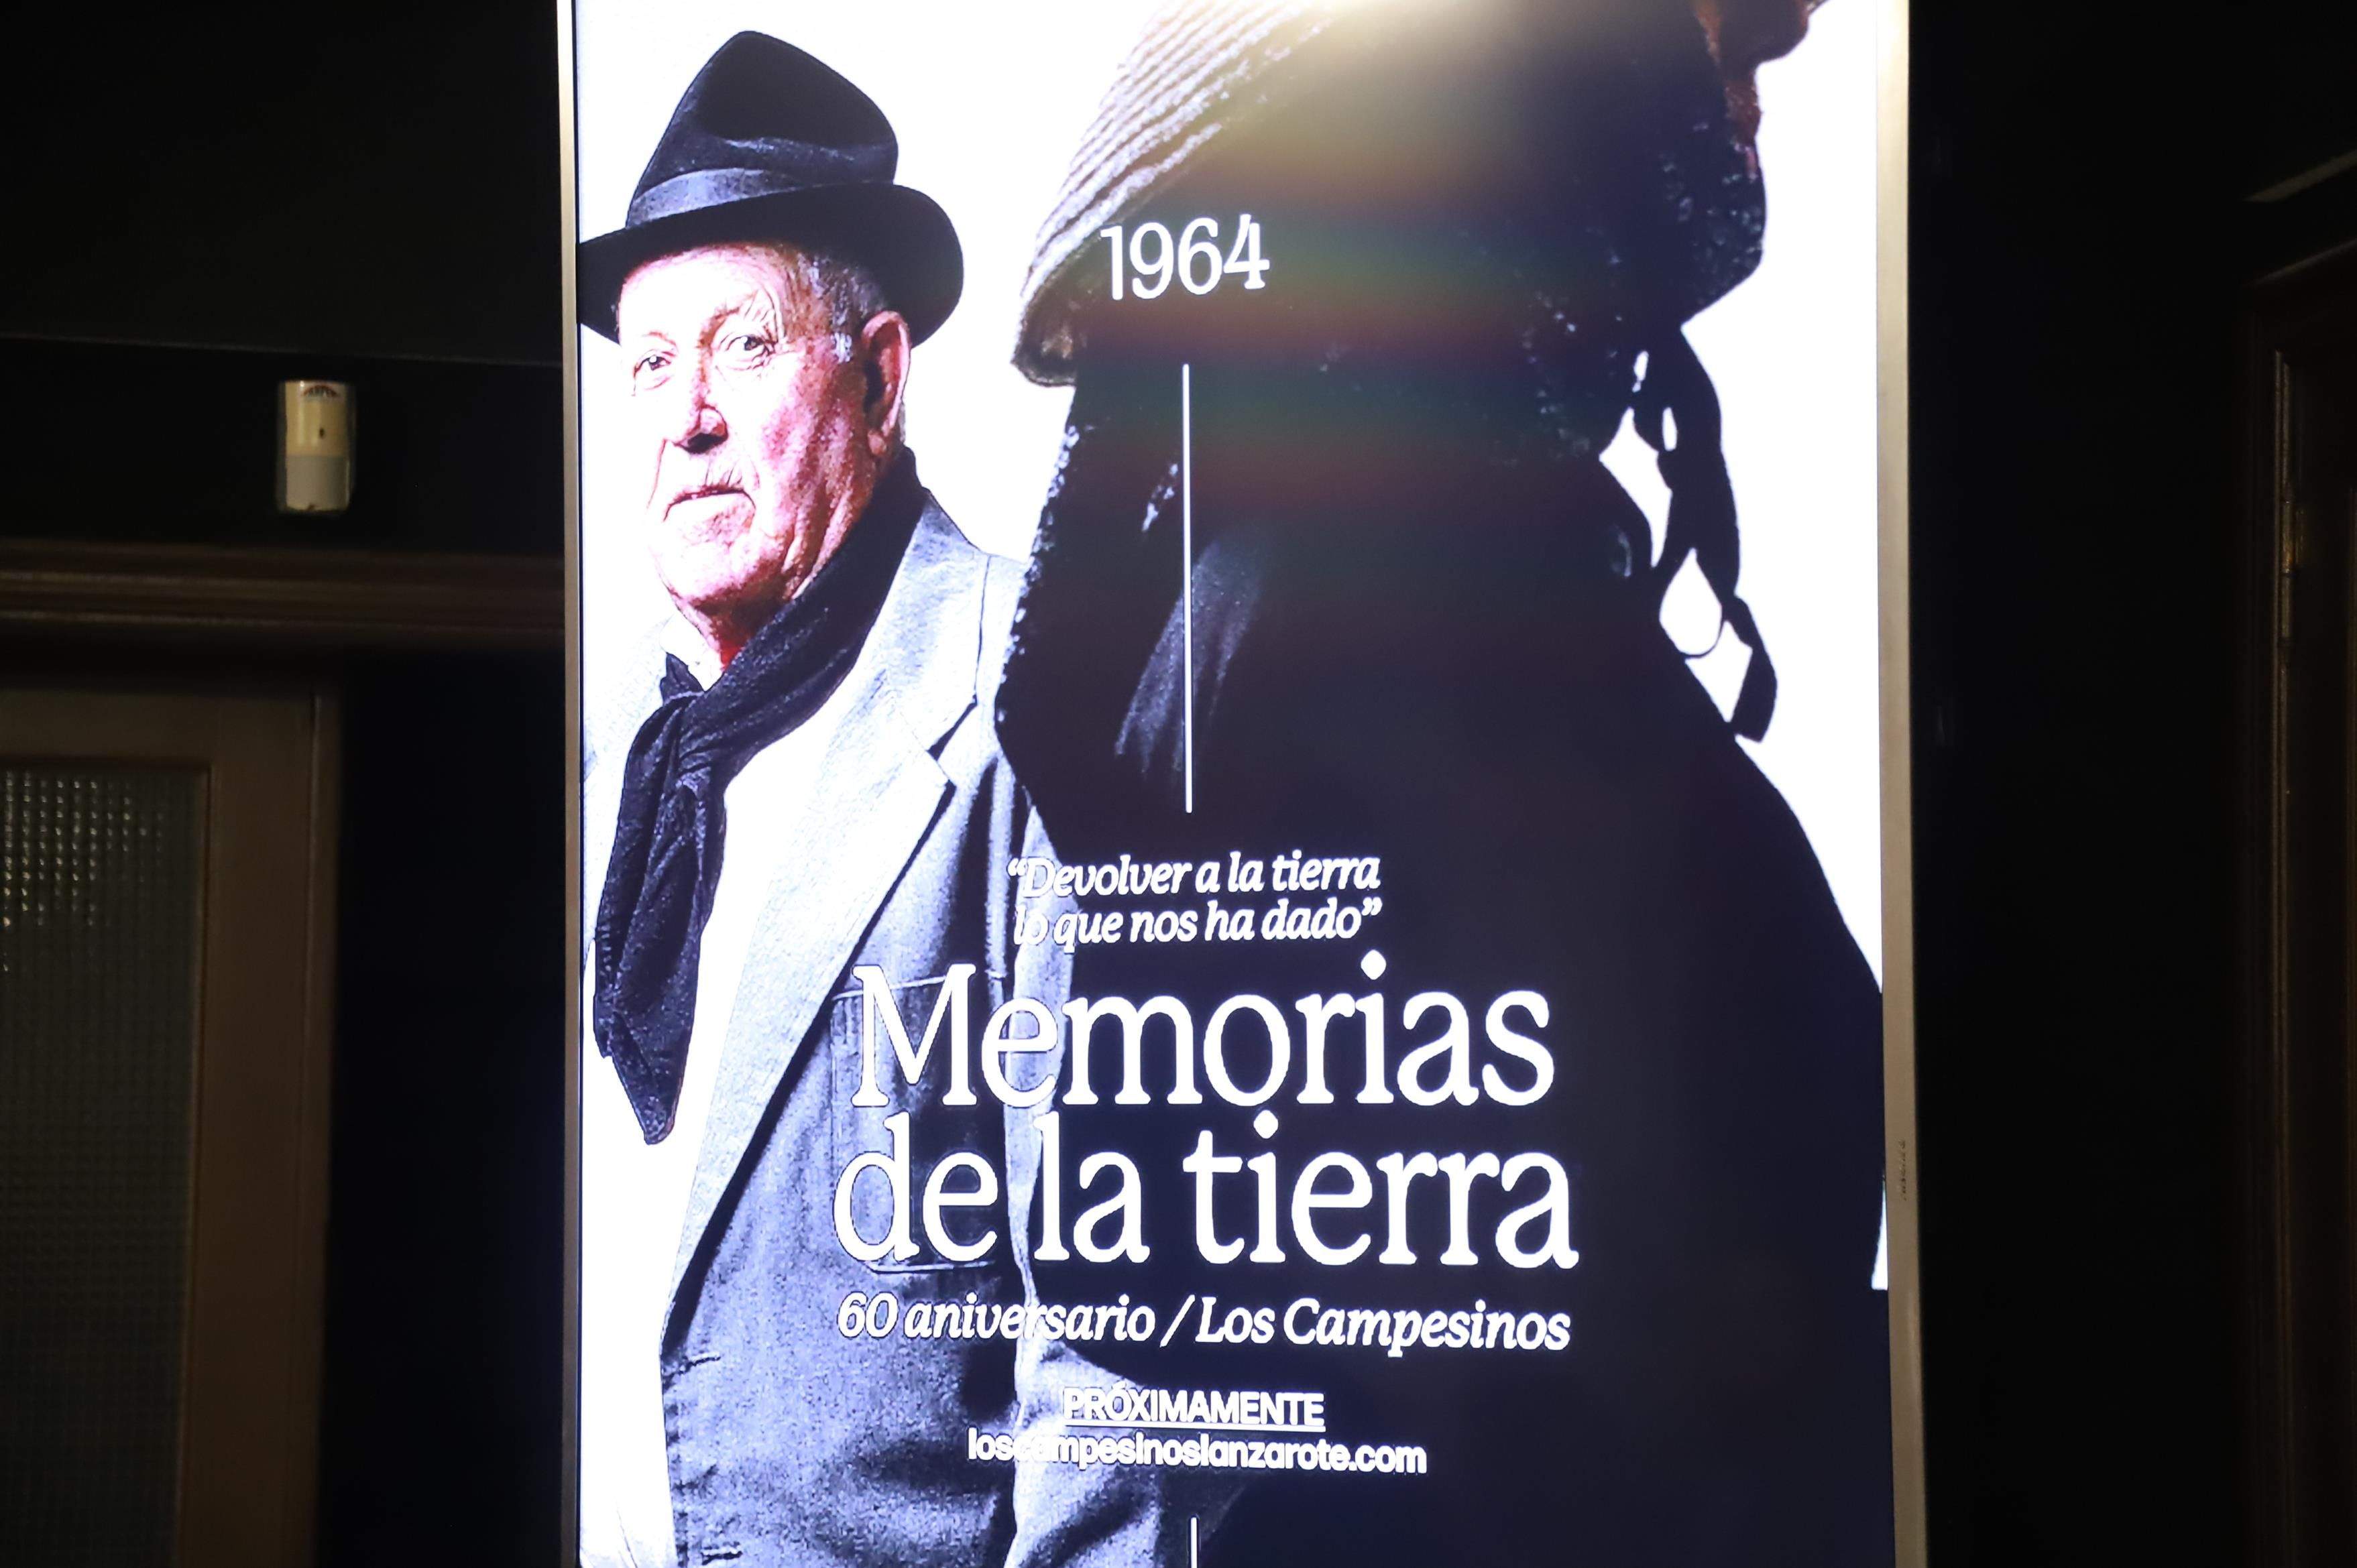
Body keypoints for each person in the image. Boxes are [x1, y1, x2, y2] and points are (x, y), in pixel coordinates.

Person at [997, 1, 1892, 1563]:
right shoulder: (1372, 597)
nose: (1755, 102)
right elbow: (1537, 1347)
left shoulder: (1394, 571)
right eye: (1727, 53)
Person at [573, 34, 1085, 1568]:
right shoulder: (621, 770)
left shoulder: (1041, 700)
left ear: (875, 377)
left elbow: (1123, 1345)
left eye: (739, 348)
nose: (686, 417)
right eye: (653, 364)